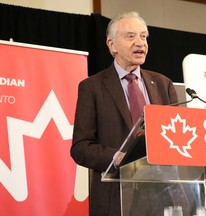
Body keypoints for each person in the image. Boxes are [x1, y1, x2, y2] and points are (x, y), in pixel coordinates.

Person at [70, 11, 178, 216]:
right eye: (131, 36)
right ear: (112, 45)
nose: (140, 43)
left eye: (144, 36)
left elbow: (174, 139)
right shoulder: (92, 87)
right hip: (115, 197)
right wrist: (119, 157)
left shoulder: (163, 85)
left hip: (163, 196)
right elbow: (81, 147)